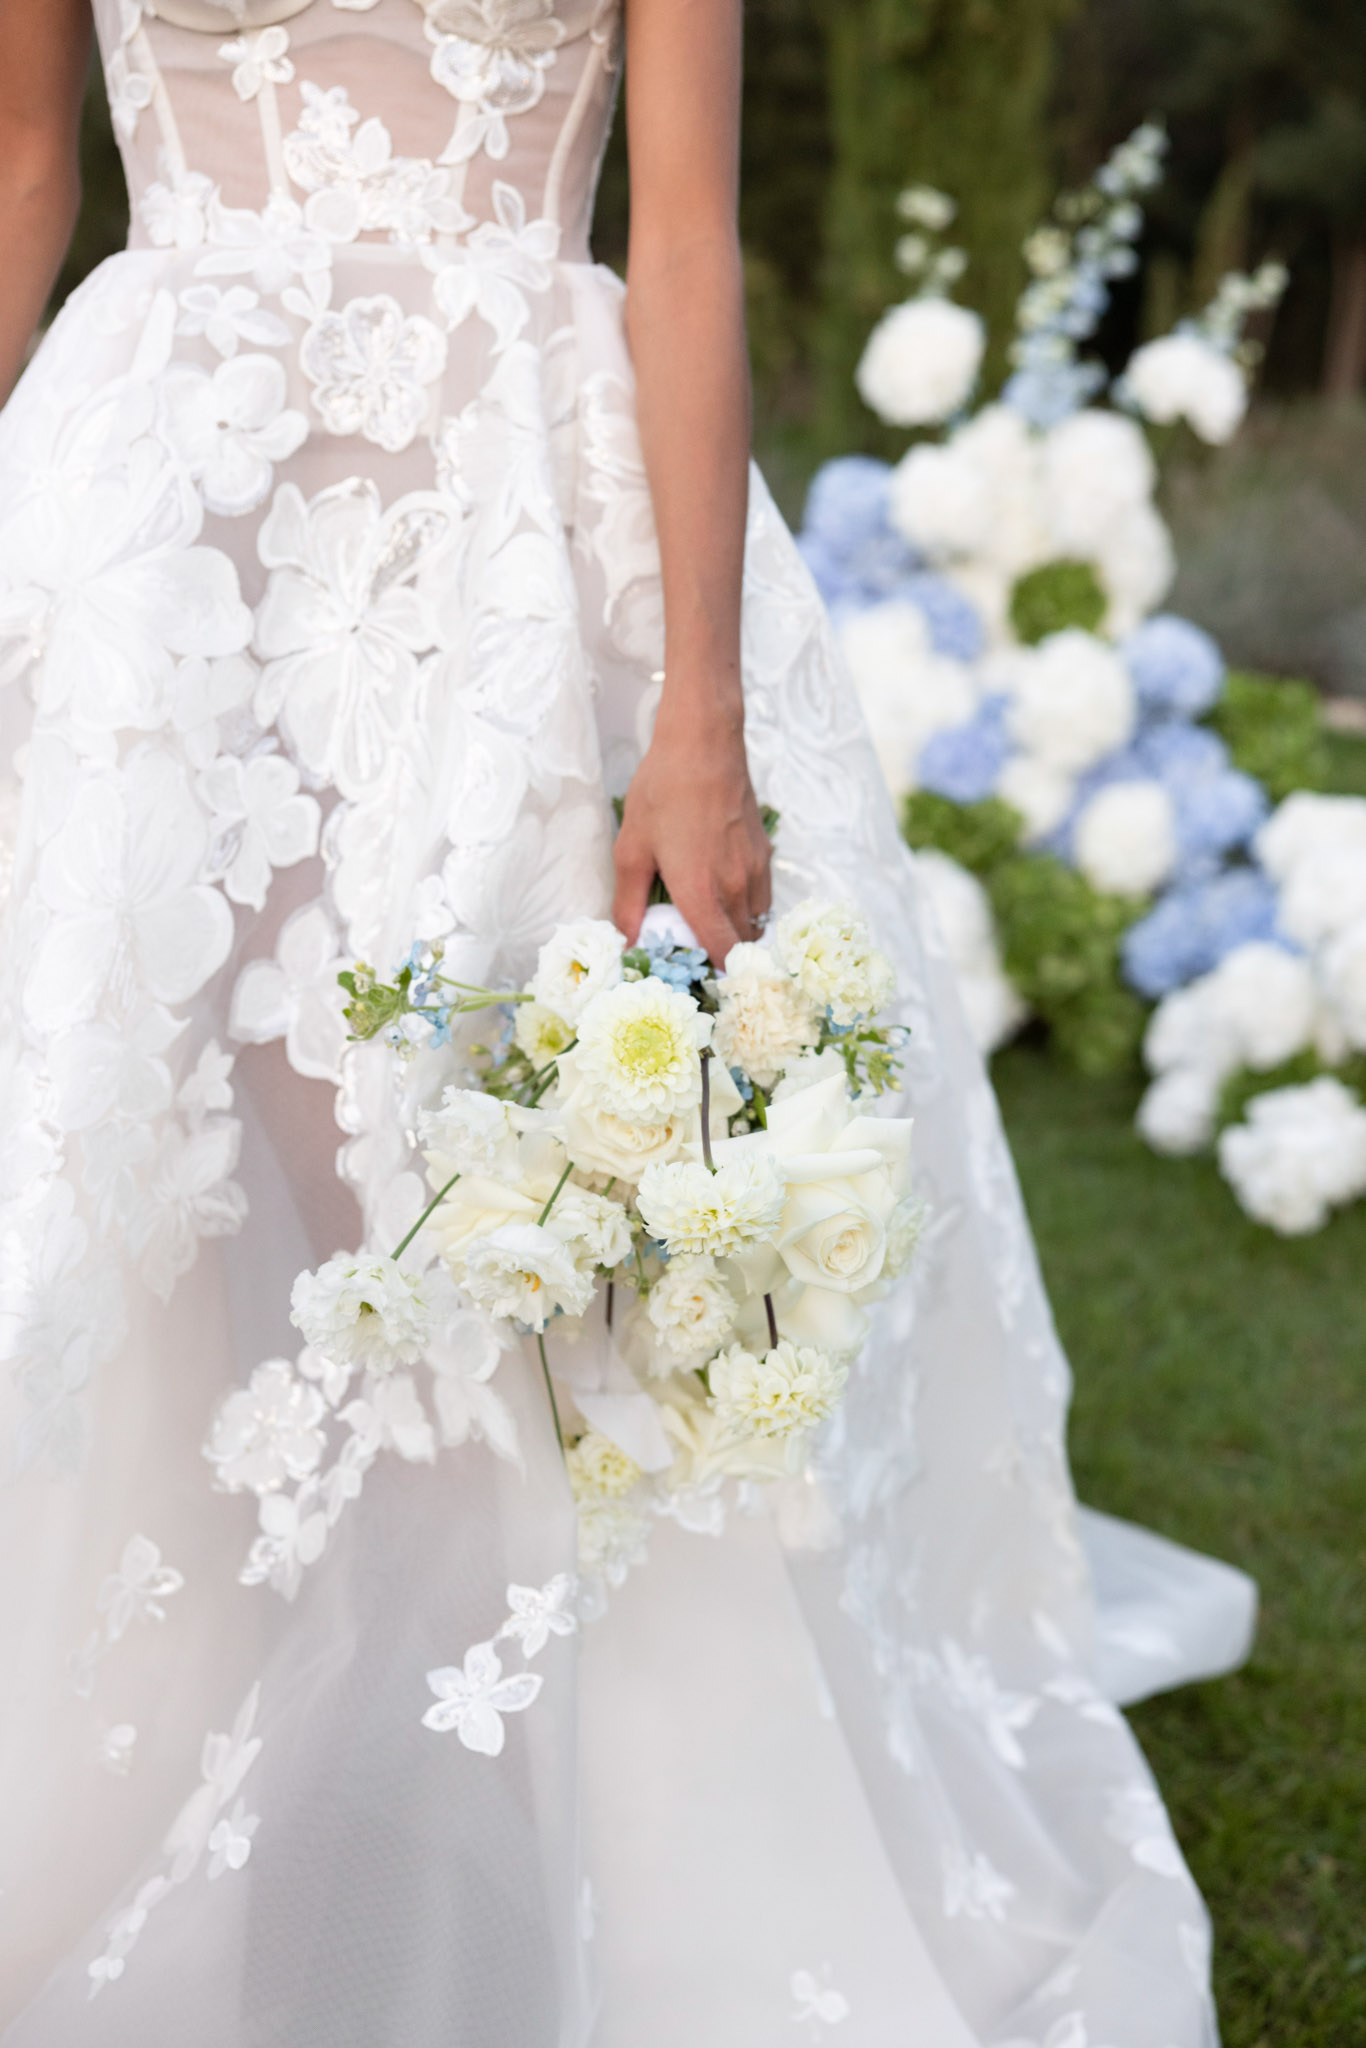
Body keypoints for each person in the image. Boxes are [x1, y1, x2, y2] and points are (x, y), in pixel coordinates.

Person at [0, 3, 1256, 2042]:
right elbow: (25, 171)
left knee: (472, 1213)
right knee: (161, 1206)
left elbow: (680, 238)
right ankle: (176, 1738)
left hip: (518, 560)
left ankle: (470, 1805)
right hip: (161, 554)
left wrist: (697, 718)